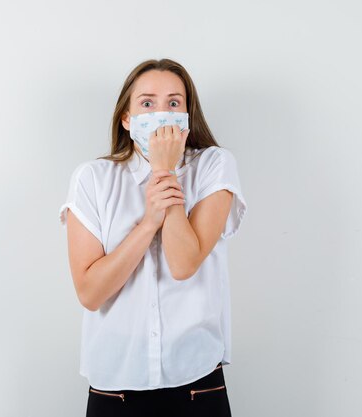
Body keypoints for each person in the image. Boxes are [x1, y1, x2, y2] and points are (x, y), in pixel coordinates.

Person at [58, 58, 247, 417]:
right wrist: (148, 224)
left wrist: (164, 170)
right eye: (147, 103)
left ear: (188, 116)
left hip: (197, 383)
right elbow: (90, 292)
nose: (162, 113)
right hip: (116, 388)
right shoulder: (92, 179)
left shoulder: (214, 166)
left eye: (174, 103)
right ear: (127, 119)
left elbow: (183, 263)